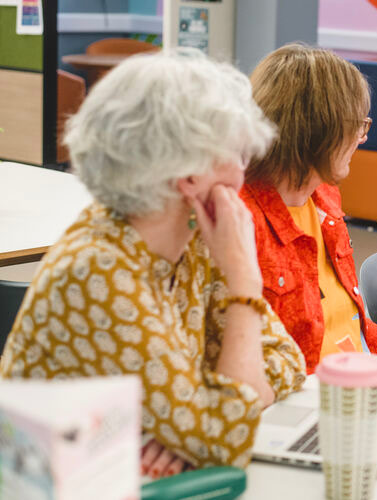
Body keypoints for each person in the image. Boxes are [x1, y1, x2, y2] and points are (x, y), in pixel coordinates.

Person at [0, 49, 306, 477]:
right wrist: (244, 285)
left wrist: (201, 421)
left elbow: (287, 358)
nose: (243, 174)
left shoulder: (196, 236)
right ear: (190, 177)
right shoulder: (98, 271)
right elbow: (223, 443)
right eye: (237, 155)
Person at [240, 44, 377, 372]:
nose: (362, 139)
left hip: (358, 378)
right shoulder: (241, 219)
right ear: (320, 130)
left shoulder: (325, 197)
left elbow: (352, 323)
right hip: (310, 397)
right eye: (358, 126)